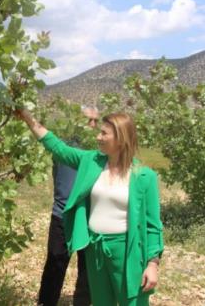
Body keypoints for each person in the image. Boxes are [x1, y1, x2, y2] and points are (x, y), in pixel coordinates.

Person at [15, 108, 164, 306]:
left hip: (126, 250)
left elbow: (152, 224)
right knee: (102, 302)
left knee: (133, 302)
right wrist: (28, 118)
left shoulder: (144, 176)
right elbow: (58, 148)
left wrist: (152, 264)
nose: (98, 137)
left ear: (121, 138)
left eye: (104, 133)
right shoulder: (91, 161)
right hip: (95, 249)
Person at [37, 106, 99, 306]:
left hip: (90, 218)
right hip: (62, 216)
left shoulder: (98, 152)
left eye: (95, 121)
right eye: (88, 120)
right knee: (55, 265)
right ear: (74, 120)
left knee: (88, 272)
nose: (92, 125)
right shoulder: (65, 149)